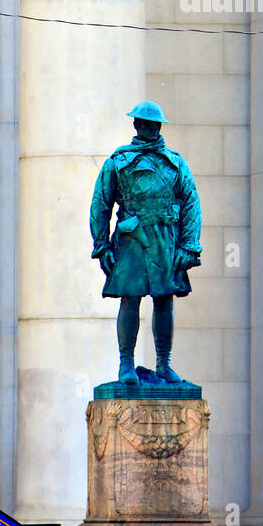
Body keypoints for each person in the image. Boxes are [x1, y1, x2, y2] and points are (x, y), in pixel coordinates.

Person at [90, 102, 201, 385]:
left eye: (154, 124)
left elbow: (191, 203)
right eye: (145, 123)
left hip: (166, 240)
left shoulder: (176, 163)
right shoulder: (118, 162)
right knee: (130, 299)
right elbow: (101, 204)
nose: (150, 128)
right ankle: (126, 363)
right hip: (132, 240)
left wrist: (189, 245)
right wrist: (101, 244)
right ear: (136, 125)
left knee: (164, 300)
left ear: (159, 127)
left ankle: (164, 364)